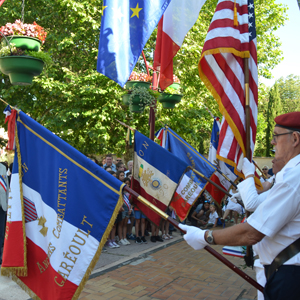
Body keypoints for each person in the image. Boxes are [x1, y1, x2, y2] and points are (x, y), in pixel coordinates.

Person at [179, 111, 300, 300]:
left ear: (294, 138)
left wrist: (205, 236)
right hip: (283, 268)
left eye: (276, 136)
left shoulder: (294, 177)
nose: (272, 142)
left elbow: (252, 232)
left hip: (289, 273)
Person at [0, 162, 9, 265]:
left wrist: (7, 202)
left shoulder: (2, 168)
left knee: (1, 232)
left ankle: (0, 256)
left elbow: (6, 186)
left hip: (2, 205)